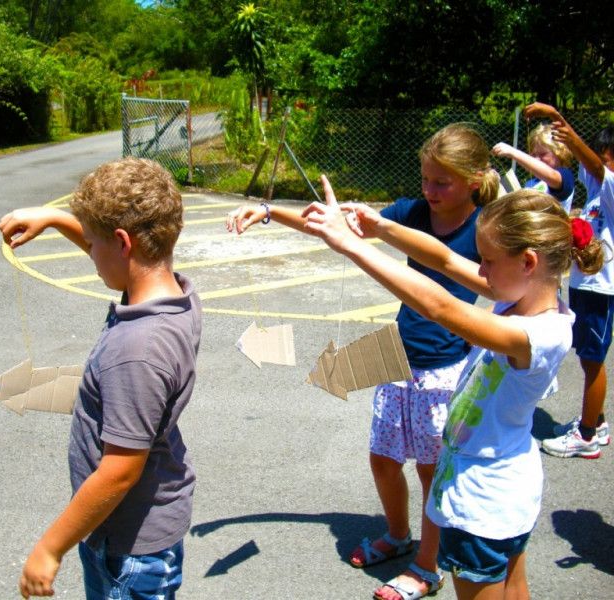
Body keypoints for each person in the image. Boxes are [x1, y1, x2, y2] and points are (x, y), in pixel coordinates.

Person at [227, 124, 499, 600]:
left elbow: (495, 283)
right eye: (426, 178)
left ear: (474, 180)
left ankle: (427, 566)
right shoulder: (414, 212)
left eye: (442, 182)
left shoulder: (484, 229)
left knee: (432, 472)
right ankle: (398, 536)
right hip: (397, 355)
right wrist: (268, 211)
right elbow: (336, 225)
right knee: (383, 458)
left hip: (446, 369)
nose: (430, 191)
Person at [303, 183, 603, 600]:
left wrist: (351, 246)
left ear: (528, 262)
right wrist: (381, 228)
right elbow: (443, 258)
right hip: (505, 488)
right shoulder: (517, 296)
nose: (480, 269)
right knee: (515, 590)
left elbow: (440, 307)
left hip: (483, 499)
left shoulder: (538, 334)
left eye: (488, 260)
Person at [0, 157, 201, 599]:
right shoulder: (174, 295)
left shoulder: (137, 351)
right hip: (138, 531)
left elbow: (120, 471)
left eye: (91, 245)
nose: (89, 256)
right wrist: (56, 220)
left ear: (124, 243)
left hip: (129, 551)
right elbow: (118, 255)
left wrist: (50, 549)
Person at [524, 103, 614, 459]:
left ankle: (588, 436)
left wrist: (561, 124)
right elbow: (590, 167)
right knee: (588, 359)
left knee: (593, 362)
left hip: (602, 289)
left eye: (608, 159)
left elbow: (590, 164)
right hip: (586, 286)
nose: (601, 166)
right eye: (602, 158)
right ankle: (597, 421)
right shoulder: (597, 193)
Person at [492, 123, 575, 212]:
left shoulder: (565, 175)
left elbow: (553, 176)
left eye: (543, 154)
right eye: (533, 155)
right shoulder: (531, 183)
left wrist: (513, 152)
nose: (536, 159)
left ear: (559, 153)